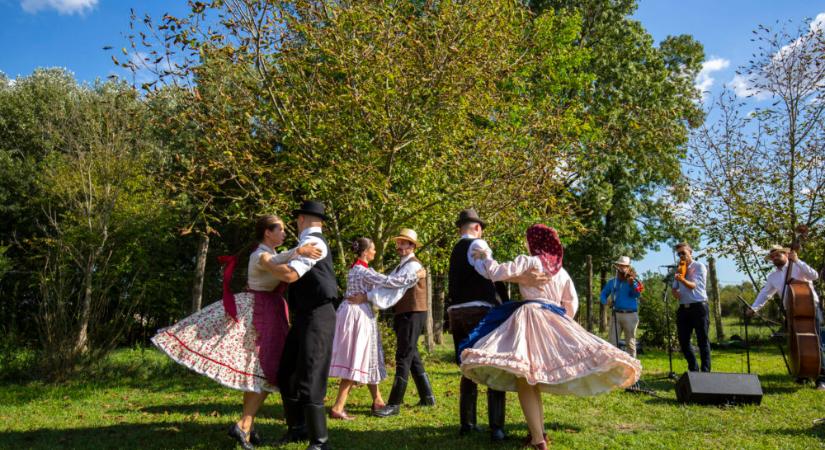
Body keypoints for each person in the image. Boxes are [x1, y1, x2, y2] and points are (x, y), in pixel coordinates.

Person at [459, 224, 641, 449]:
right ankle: (539, 433)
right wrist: (561, 324)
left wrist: (483, 257)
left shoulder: (529, 261)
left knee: (524, 376)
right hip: (553, 317)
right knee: (531, 376)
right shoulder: (560, 271)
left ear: (534, 242)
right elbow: (571, 302)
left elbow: (495, 272)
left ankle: (538, 440)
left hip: (530, 317)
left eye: (529, 240)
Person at [151, 215, 322, 450]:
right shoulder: (260, 254)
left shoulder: (268, 253)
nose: (284, 233)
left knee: (262, 373)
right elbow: (274, 264)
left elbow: (279, 259)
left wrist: (297, 252)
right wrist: (298, 251)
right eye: (279, 229)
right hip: (259, 312)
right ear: (267, 233)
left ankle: (246, 425)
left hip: (269, 309)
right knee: (265, 371)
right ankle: (243, 425)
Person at [446, 208, 546, 441]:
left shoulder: (455, 250)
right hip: (479, 311)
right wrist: (524, 277)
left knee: (468, 365)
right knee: (494, 362)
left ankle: (467, 423)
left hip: (456, 313)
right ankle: (497, 428)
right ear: (477, 228)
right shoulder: (478, 246)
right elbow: (493, 272)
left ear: (461, 228)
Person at [328, 237, 426, 420]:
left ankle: (377, 400)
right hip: (358, 315)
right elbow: (390, 282)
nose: (375, 251)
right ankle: (338, 406)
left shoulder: (356, 268)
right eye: (372, 249)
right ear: (365, 252)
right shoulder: (364, 271)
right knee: (356, 359)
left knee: (368, 356)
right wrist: (416, 276)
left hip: (353, 312)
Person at [276, 201, 339, 450]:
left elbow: (290, 275)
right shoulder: (303, 245)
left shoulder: (313, 244)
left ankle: (320, 442)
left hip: (319, 315)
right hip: (304, 315)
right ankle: (298, 428)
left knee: (311, 375)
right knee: (287, 373)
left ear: (301, 219)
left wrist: (265, 263)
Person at [370, 228, 437, 418]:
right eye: (398, 243)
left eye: (403, 243)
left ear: (412, 246)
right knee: (412, 354)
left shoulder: (412, 266)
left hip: (413, 313)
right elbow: (391, 280)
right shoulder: (403, 265)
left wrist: (370, 293)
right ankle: (428, 396)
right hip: (406, 313)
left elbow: (393, 282)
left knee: (403, 356)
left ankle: (394, 403)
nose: (399, 246)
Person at [746, 245, 824, 390]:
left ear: (786, 255)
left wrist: (798, 260)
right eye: (773, 257)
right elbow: (765, 294)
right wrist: (754, 308)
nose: (775, 258)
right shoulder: (773, 277)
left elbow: (815, 276)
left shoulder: (798, 266)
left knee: (815, 341)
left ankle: (821, 378)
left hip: (809, 307)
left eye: (778, 255)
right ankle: (803, 373)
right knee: (796, 343)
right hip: (791, 311)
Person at [671, 242, 711, 373]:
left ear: (690, 252)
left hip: (699, 307)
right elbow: (674, 288)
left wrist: (682, 279)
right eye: (679, 254)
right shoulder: (679, 268)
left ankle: (706, 371)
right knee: (683, 341)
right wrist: (675, 292)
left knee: (702, 340)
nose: (681, 256)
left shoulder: (699, 266)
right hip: (683, 308)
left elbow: (693, 285)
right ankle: (694, 369)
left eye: (683, 253)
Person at [600, 256, 644, 358]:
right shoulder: (612, 281)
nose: (622, 268)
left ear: (628, 268)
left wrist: (632, 284)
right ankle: (614, 365)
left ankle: (633, 366)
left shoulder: (632, 281)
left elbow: (637, 294)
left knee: (630, 342)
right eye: (620, 266)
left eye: (624, 266)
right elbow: (603, 294)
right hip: (616, 314)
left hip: (630, 315)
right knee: (612, 342)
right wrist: (606, 302)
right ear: (617, 267)